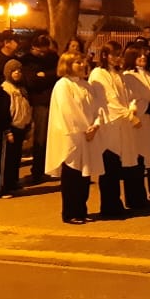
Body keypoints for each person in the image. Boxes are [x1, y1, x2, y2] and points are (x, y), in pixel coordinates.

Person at [45, 51, 104, 224]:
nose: (82, 65)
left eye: (83, 62)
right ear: (67, 65)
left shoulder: (86, 86)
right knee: (72, 175)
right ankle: (70, 212)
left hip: (88, 135)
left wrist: (96, 124)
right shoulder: (63, 85)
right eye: (78, 62)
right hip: (72, 136)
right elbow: (68, 111)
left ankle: (82, 209)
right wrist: (85, 128)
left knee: (85, 177)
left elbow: (96, 108)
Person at [89, 42, 147, 217]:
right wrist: (129, 116)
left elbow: (127, 96)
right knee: (109, 166)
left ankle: (117, 203)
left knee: (118, 166)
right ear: (105, 55)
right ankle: (109, 206)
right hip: (109, 125)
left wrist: (132, 107)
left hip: (121, 125)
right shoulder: (99, 74)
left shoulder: (117, 74)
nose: (118, 58)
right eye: (114, 55)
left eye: (119, 55)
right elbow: (110, 101)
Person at [122, 46, 150, 202]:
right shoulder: (128, 76)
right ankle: (137, 195)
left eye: (144, 55)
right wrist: (149, 108)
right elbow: (133, 98)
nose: (143, 57)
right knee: (138, 156)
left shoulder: (147, 74)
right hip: (140, 120)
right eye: (139, 55)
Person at [21, 34, 60, 184]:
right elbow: (32, 82)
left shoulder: (52, 57)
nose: (43, 54)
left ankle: (50, 168)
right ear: (33, 47)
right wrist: (45, 78)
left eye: (45, 51)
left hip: (52, 99)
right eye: (40, 51)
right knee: (40, 137)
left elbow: (58, 73)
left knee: (52, 136)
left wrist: (45, 75)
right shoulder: (27, 60)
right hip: (39, 102)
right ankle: (37, 170)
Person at [0, 60, 31, 197]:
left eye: (19, 71)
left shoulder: (21, 89)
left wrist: (27, 125)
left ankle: (12, 183)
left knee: (15, 159)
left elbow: (26, 108)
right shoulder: (5, 89)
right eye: (14, 71)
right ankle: (2, 187)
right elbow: (3, 112)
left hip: (20, 127)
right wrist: (7, 130)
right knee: (5, 160)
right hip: (9, 129)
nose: (17, 73)